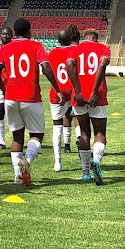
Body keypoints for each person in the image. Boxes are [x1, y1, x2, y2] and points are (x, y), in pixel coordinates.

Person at [0, 17, 64, 187]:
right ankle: (27, 160)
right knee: (37, 135)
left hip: (11, 98)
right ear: (28, 31)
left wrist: (5, 90)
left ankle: (18, 176)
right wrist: (57, 88)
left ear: (14, 33)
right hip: (31, 97)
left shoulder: (6, 48)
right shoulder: (36, 46)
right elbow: (46, 68)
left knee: (17, 138)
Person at [66, 28, 111, 185]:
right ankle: (96, 161)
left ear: (84, 38)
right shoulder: (103, 49)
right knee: (100, 132)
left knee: (84, 132)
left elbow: (69, 65)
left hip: (78, 98)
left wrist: (77, 91)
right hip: (96, 97)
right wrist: (94, 91)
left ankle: (85, 172)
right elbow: (102, 66)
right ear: (96, 39)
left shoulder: (75, 49)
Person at [47, 28, 76, 171]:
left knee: (56, 126)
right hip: (73, 90)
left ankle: (57, 162)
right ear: (70, 39)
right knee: (79, 118)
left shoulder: (52, 52)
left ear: (57, 40)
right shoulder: (74, 51)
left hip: (57, 92)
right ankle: (83, 152)